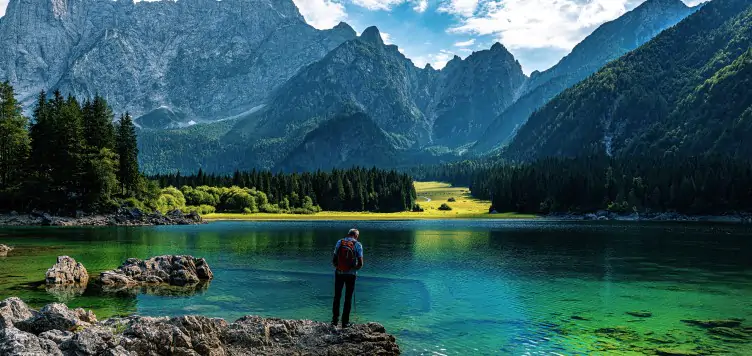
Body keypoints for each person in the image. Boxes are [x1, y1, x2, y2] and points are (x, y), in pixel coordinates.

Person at [331, 228, 364, 328]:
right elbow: (361, 263)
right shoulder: (358, 245)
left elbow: (334, 260)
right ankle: (345, 322)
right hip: (351, 275)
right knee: (348, 298)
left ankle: (334, 321)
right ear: (356, 236)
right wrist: (353, 269)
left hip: (339, 273)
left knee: (337, 297)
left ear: (348, 234)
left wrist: (340, 268)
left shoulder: (339, 242)